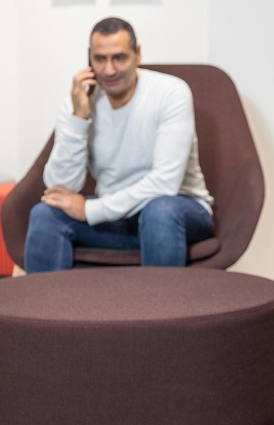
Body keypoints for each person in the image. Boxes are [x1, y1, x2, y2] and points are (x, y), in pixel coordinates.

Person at [23, 17, 214, 273]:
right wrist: (79, 119)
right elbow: (60, 187)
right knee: (45, 214)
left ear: (138, 54)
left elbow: (165, 184)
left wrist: (90, 209)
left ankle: (159, 301)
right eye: (100, 59)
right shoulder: (79, 100)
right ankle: (47, 300)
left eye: (119, 58)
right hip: (115, 216)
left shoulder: (171, 93)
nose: (109, 70)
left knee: (159, 211)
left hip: (177, 210)